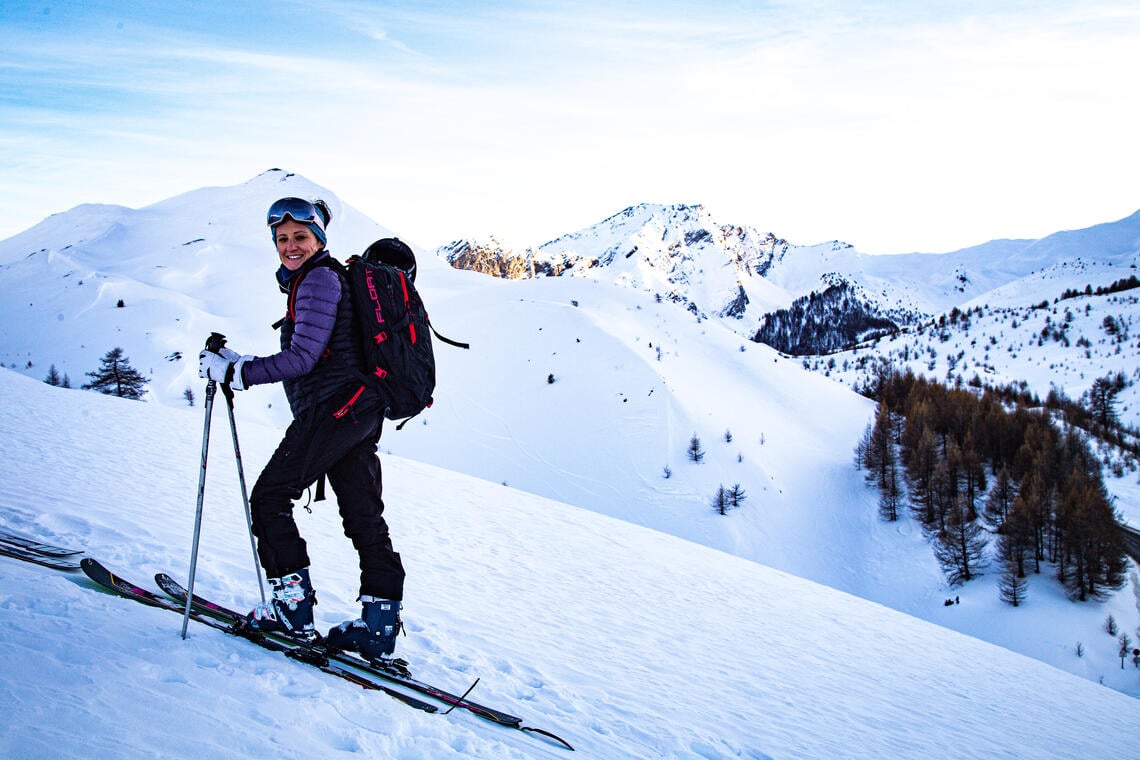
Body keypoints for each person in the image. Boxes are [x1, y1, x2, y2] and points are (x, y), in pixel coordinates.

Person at [198, 196, 405, 660]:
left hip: (333, 411)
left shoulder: (318, 282)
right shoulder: (324, 280)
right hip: (358, 410)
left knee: (270, 498)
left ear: (319, 240)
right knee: (363, 515)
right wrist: (240, 362)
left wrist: (237, 373)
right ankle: (379, 624)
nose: (290, 246)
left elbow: (302, 358)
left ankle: (291, 612)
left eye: (300, 237)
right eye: (282, 238)